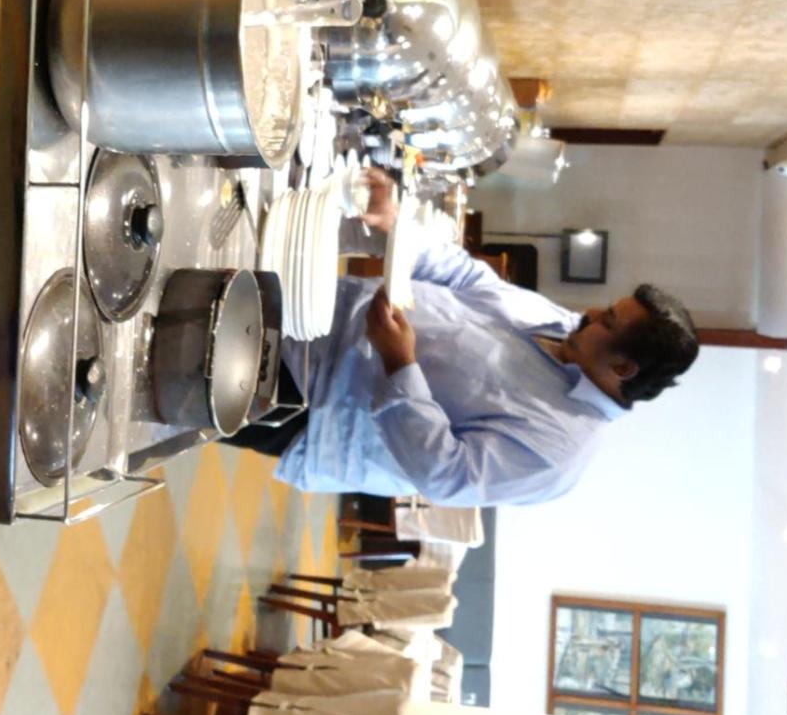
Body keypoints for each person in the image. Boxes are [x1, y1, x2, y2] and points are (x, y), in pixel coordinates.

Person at [225, 171, 699, 506]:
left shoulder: (558, 454)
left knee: (191, 370)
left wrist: (399, 364)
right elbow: (470, 279)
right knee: (203, 300)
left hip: (309, 402)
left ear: (623, 368)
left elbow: (446, 476)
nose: (591, 314)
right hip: (316, 310)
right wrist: (397, 233)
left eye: (607, 323)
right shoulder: (562, 326)